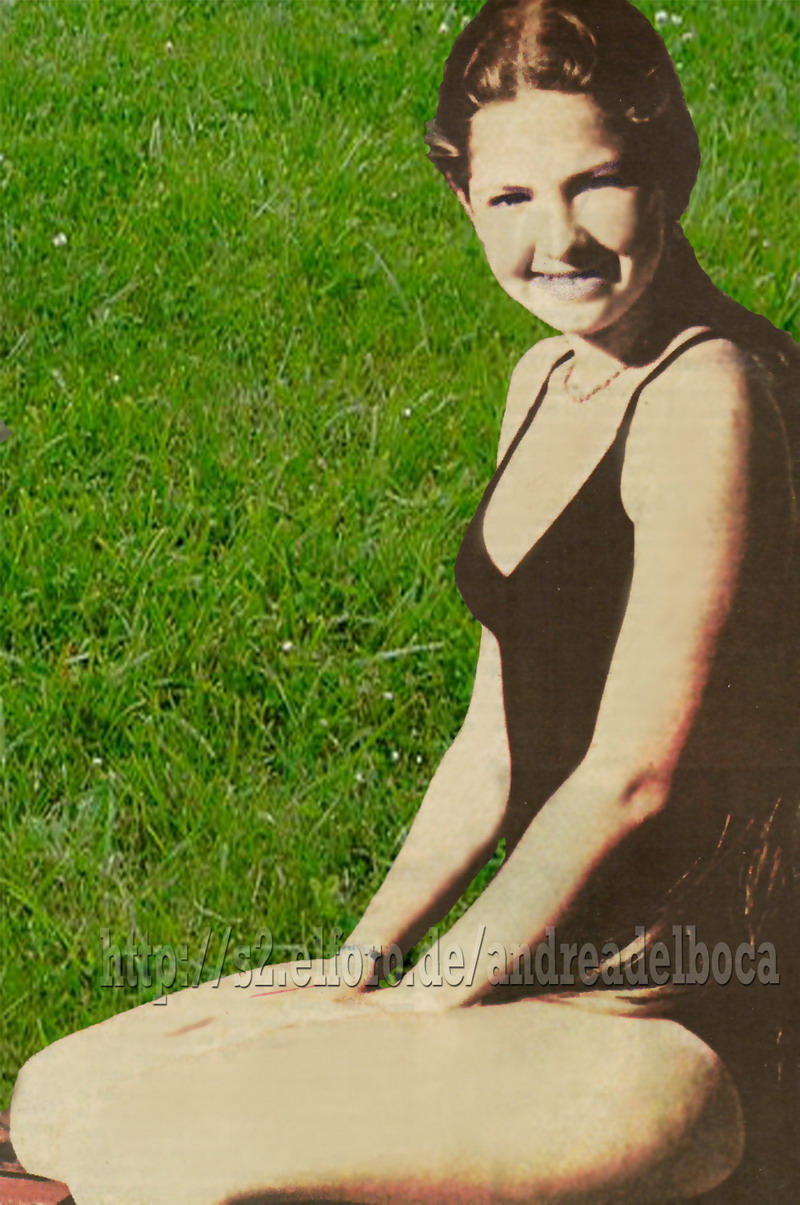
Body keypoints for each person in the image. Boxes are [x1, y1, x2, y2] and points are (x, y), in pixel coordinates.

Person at [10, 1, 798, 1202]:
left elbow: (627, 774)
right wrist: (359, 962)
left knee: (142, 1150)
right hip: (535, 976)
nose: (556, 238)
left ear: (668, 168)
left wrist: (421, 1002)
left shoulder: (706, 392)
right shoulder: (547, 375)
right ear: (464, 201)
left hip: (666, 1020)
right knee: (55, 1097)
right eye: (510, 196)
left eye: (596, 182)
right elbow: (491, 742)